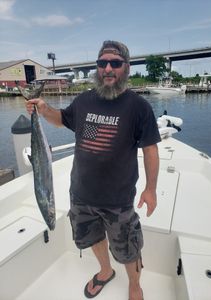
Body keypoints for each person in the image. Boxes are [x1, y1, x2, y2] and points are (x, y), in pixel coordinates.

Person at [26, 40, 161, 300]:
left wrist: (151, 188)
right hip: (81, 195)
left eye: (115, 63)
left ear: (126, 67)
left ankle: (134, 284)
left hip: (118, 200)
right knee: (92, 238)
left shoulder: (138, 107)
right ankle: (105, 270)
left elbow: (151, 150)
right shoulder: (85, 100)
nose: (107, 68)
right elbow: (61, 120)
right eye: (102, 63)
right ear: (97, 67)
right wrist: (43, 110)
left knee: (128, 249)